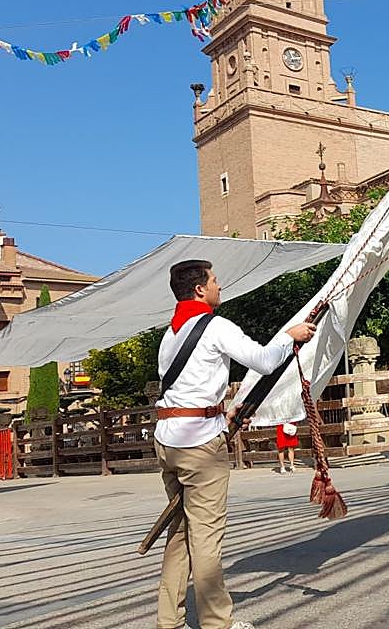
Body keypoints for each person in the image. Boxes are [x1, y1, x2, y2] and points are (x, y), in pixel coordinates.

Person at [154, 259, 316, 629]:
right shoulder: (216, 326)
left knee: (179, 535)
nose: (219, 285)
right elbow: (263, 359)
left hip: (169, 440)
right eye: (214, 280)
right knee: (206, 537)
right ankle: (217, 624)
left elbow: (185, 390)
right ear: (199, 290)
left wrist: (220, 414)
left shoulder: (170, 334)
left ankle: (169, 622)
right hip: (199, 445)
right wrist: (289, 336)